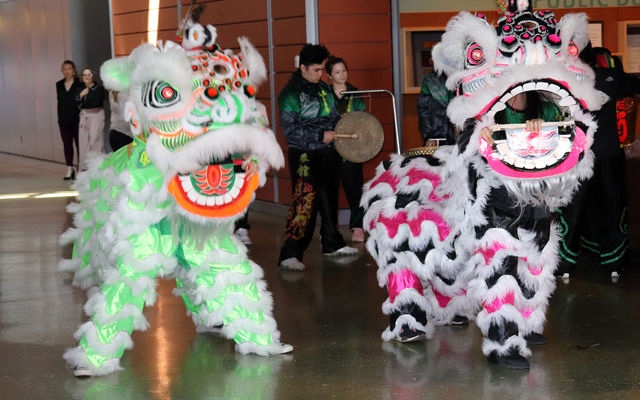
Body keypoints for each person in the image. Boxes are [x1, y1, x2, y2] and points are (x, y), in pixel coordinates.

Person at [555, 45, 640, 283]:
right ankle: (614, 263)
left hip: (580, 154)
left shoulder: (565, 76)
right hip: (605, 152)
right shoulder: (610, 72)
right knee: (609, 206)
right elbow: (634, 89)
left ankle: (565, 265)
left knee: (574, 209)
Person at [277, 44, 357, 271]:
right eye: (316, 70)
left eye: (322, 69)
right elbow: (290, 130)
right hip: (304, 153)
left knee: (329, 199)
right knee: (304, 203)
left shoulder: (323, 89)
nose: (321, 74)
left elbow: (332, 116)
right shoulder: (290, 94)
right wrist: (319, 135)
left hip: (327, 152)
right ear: (302, 67)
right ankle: (290, 254)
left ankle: (332, 243)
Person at [326, 56, 366, 243]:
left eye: (344, 71)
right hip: (329, 148)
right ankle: (329, 227)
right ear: (329, 75)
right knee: (329, 189)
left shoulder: (355, 93)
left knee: (354, 188)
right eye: (337, 72)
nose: (342, 75)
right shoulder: (324, 94)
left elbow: (362, 118)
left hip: (351, 148)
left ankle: (357, 226)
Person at [56, 60, 83, 180]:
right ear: (62, 71)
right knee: (67, 144)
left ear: (74, 70)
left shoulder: (79, 84)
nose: (67, 71)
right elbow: (61, 102)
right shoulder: (59, 85)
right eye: (64, 69)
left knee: (79, 144)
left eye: (69, 69)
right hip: (63, 119)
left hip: (77, 119)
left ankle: (80, 168)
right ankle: (69, 167)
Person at [417, 70, 457, 146]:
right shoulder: (429, 79)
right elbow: (423, 111)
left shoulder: (461, 77)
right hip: (436, 137)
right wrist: (428, 137)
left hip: (458, 137)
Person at [77, 67, 106, 171]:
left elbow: (96, 102)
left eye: (89, 75)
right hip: (84, 117)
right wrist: (81, 95)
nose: (87, 77)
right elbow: (75, 103)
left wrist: (82, 97)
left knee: (95, 142)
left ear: (93, 76)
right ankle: (84, 169)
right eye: (84, 75)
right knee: (83, 143)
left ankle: (98, 168)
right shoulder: (80, 88)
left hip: (96, 115)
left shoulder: (99, 88)